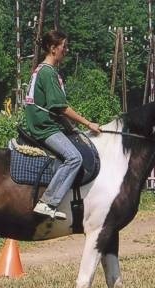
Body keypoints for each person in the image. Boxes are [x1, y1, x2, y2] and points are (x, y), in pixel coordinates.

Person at [23, 30, 101, 220]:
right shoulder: (48, 73)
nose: (66, 50)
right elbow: (60, 107)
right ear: (52, 48)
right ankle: (48, 202)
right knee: (74, 158)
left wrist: (73, 129)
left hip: (46, 123)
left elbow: (55, 109)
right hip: (44, 127)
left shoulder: (41, 70)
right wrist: (88, 123)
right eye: (63, 46)